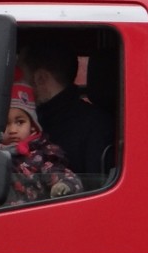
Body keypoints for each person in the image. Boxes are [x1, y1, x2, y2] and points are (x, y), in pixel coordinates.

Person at [20, 43, 115, 175]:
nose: (17, 84)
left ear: (40, 78)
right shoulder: (37, 118)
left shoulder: (96, 128)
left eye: (21, 77)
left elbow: (96, 184)